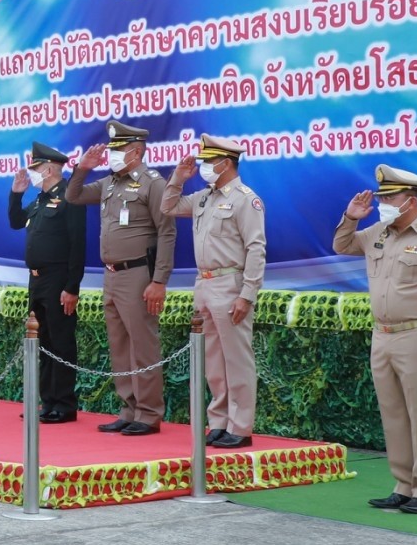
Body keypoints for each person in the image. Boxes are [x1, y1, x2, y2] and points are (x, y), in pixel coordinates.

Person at [335, 164, 417, 515]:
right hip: (383, 336)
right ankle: (403, 485)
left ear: (411, 200)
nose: (383, 203)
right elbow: (343, 244)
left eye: (390, 197)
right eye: (382, 197)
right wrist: (351, 216)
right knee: (393, 415)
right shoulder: (379, 232)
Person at [64, 121, 175, 436]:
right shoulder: (110, 183)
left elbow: (167, 233)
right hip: (111, 275)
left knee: (143, 345)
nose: (112, 154)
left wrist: (159, 281)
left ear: (136, 151)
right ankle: (128, 409)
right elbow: (74, 196)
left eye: (118, 149)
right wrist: (82, 169)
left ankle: (149, 413)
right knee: (120, 346)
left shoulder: (153, 183)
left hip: (139, 273)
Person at [163, 134, 267, 447]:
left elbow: (256, 248)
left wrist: (247, 294)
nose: (205, 166)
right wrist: (178, 178)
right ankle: (219, 422)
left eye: (210, 161)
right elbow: (168, 207)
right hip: (204, 283)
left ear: (226, 163)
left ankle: (240, 427)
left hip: (230, 283)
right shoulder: (204, 197)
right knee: (213, 361)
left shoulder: (245, 199)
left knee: (236, 359)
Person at [9, 141, 86, 422]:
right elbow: (16, 222)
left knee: (61, 341)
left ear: (50, 167)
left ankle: (64, 404)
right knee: (42, 341)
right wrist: (16, 196)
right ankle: (47, 401)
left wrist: (72, 287)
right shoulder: (40, 199)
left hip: (58, 279)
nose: (33, 173)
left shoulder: (69, 196)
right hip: (37, 280)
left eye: (36, 168)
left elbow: (78, 245)